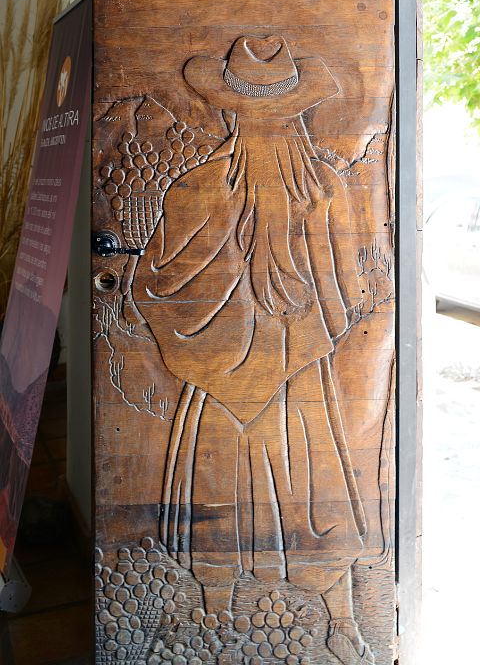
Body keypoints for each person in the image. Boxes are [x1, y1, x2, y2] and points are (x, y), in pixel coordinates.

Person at [133, 35, 374, 664]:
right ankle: (276, 623)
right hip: (265, 381)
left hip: (262, 380)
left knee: (275, 485)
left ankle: (325, 622)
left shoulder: (308, 191)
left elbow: (154, 286)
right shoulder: (315, 186)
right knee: (264, 485)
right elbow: (349, 291)